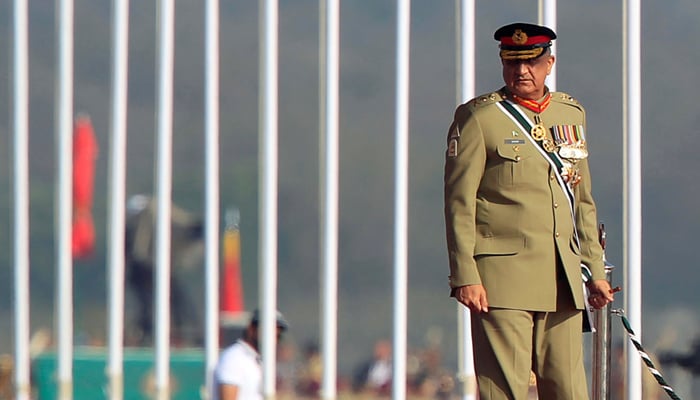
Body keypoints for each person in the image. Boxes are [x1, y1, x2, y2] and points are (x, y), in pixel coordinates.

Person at [443, 22, 615, 399]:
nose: (521, 71)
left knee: (568, 389)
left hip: (561, 279)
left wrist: (595, 270)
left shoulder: (570, 115)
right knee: (506, 390)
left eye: (531, 62)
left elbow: (581, 201)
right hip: (501, 279)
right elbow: (459, 202)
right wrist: (465, 274)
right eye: (512, 62)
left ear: (548, 63)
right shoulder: (480, 118)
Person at [214, 309, 289, 400]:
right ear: (252, 329)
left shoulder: (255, 360)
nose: (273, 340)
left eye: (277, 336)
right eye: (269, 333)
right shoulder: (234, 358)